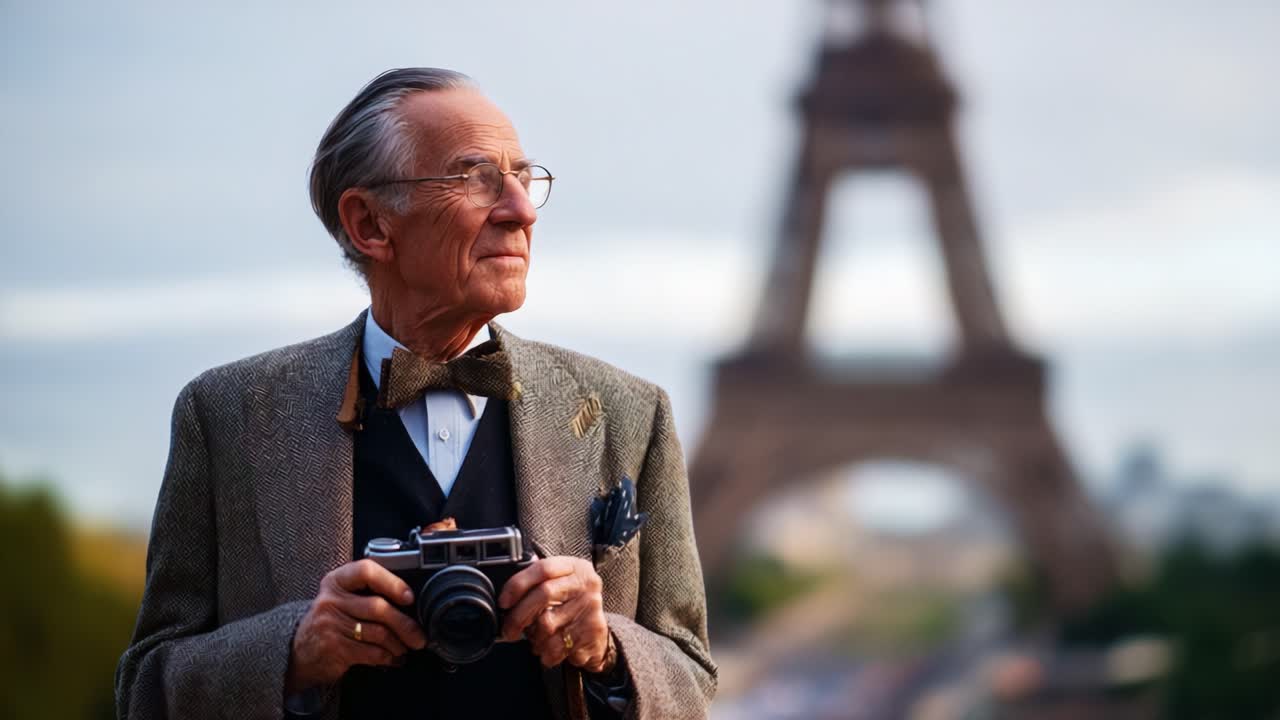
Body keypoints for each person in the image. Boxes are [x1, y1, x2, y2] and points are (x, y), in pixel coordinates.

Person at [115, 67, 716, 720]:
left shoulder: (629, 413)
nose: (520, 211)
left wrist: (605, 649)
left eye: (524, 178)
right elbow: (147, 688)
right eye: (476, 178)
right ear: (370, 224)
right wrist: (295, 649)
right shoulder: (227, 417)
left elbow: (691, 676)